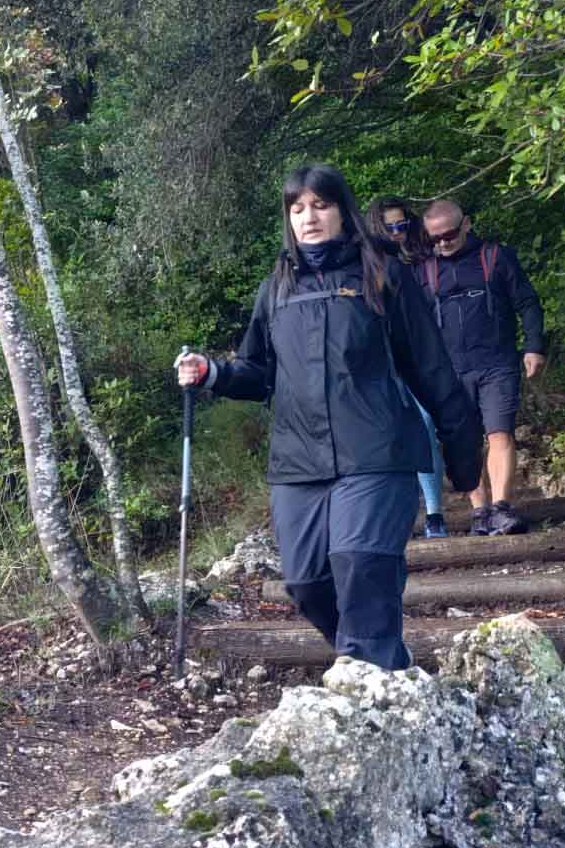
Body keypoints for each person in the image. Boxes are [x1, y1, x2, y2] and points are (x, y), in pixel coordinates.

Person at [177, 165, 481, 671]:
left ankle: (370, 675)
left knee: (361, 563)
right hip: (299, 460)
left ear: (343, 210)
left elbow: (430, 366)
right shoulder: (277, 286)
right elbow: (258, 371)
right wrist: (213, 373)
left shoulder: (382, 273)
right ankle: (380, 659)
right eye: (297, 209)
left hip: (377, 451)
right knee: (306, 580)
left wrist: (462, 454)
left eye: (320, 205)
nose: (308, 218)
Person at [415, 199, 546, 536]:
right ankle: (479, 513)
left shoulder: (496, 257)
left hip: (496, 364)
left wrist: (534, 346)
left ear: (467, 224)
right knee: (464, 443)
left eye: (449, 234)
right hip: (450, 371)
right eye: (434, 238)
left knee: (499, 432)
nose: (443, 242)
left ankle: (501, 507)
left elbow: (528, 303)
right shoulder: (424, 271)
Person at [372, 198, 449, 539]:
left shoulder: (424, 262)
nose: (397, 233)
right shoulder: (367, 266)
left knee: (425, 425)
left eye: (402, 225)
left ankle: (434, 513)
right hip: (381, 364)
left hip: (421, 360)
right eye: (390, 228)